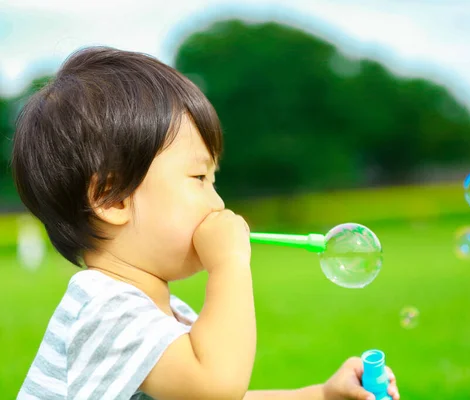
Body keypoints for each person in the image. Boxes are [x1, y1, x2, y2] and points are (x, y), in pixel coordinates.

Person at [13, 46, 400, 400]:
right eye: (199, 179)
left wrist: (320, 395)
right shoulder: (104, 308)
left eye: (214, 181)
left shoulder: (158, 311)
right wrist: (229, 263)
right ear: (113, 199)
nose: (217, 203)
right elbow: (216, 389)